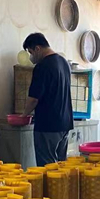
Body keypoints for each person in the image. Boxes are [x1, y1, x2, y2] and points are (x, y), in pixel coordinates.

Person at [22, 33, 74, 166]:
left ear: (38, 48)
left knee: (47, 167)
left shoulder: (42, 67)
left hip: (48, 125)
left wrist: (23, 115)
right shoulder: (64, 63)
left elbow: (34, 99)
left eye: (31, 52)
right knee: (61, 167)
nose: (31, 57)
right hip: (65, 124)